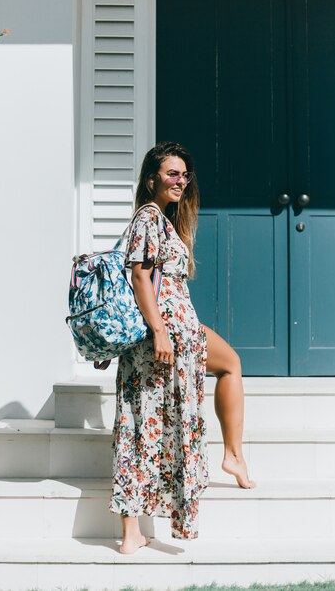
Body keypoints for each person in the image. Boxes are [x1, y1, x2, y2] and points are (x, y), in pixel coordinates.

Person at [109, 141, 255, 555]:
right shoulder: (148, 218)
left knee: (154, 420)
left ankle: (232, 456)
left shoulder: (162, 220)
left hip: (180, 333)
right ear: (152, 176)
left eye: (184, 175)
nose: (180, 181)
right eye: (172, 173)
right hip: (163, 336)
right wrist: (158, 331)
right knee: (140, 424)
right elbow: (140, 277)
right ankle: (131, 530)